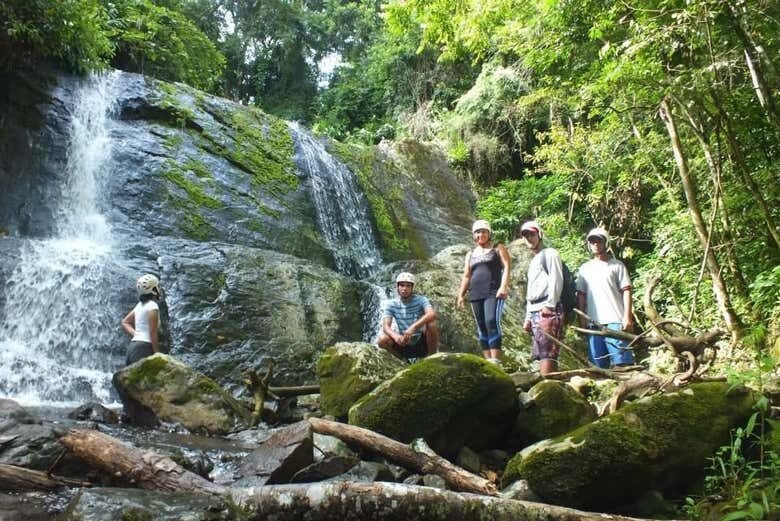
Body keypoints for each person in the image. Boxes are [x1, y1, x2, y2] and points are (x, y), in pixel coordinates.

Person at [576, 227, 635, 369]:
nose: (595, 244)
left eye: (599, 240)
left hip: (615, 320)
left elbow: (626, 292)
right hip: (593, 322)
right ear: (588, 244)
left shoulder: (617, 266)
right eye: (592, 241)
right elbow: (581, 296)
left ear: (606, 242)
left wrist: (627, 317)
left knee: (622, 363)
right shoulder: (584, 269)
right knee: (597, 365)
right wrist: (582, 319)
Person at [456, 220, 511, 363]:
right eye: (478, 232)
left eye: (484, 231)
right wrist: (461, 295)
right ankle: (488, 362)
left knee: (491, 321)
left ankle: (496, 361)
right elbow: (467, 275)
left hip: (493, 291)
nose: (481, 234)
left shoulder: (498, 248)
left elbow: (507, 267)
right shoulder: (470, 254)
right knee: (481, 325)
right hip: (475, 293)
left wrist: (503, 286)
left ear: (489, 233)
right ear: (474, 235)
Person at [521, 220, 563, 375]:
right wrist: (527, 317)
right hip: (534, 309)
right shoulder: (534, 260)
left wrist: (550, 305)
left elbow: (556, 279)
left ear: (539, 234)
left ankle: (545, 387)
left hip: (547, 307)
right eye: (525, 236)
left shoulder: (550, 253)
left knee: (547, 350)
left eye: (532, 234)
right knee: (541, 350)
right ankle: (552, 385)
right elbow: (530, 291)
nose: (529, 238)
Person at [377, 272, 439, 361]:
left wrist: (413, 328)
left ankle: (432, 358)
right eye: (402, 285)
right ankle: (402, 361)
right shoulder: (391, 304)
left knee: (431, 323)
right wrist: (396, 337)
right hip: (403, 342)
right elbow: (386, 326)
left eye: (408, 286)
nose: (404, 289)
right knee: (382, 340)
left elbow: (431, 314)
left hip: (421, 343)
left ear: (412, 288)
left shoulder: (421, 300)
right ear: (397, 287)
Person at [121, 274, 162, 365]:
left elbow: (125, 322)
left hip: (132, 347)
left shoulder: (139, 305)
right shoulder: (152, 306)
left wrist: (137, 334)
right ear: (154, 289)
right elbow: (153, 332)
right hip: (144, 347)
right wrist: (157, 353)